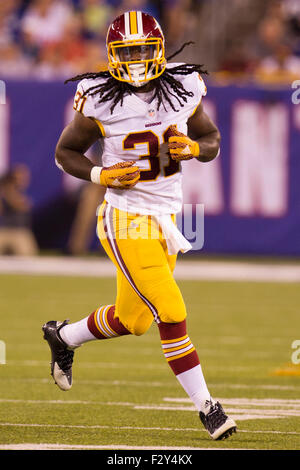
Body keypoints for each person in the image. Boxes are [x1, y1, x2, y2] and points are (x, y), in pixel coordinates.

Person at [42, 10, 237, 441]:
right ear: (111, 54)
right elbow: (65, 152)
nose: (135, 59)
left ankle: (63, 337)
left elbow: (212, 140)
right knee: (172, 310)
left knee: (135, 321)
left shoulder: (183, 86)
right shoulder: (99, 97)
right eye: (126, 51)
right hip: (125, 219)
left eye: (143, 50)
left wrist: (193, 147)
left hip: (166, 216)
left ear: (160, 50)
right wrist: (100, 175)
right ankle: (208, 407)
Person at [0, 164, 38, 255]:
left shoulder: (25, 192)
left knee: (28, 258)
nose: (22, 179)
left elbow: (23, 205)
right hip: (5, 230)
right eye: (19, 176)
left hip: (21, 232)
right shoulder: (5, 191)